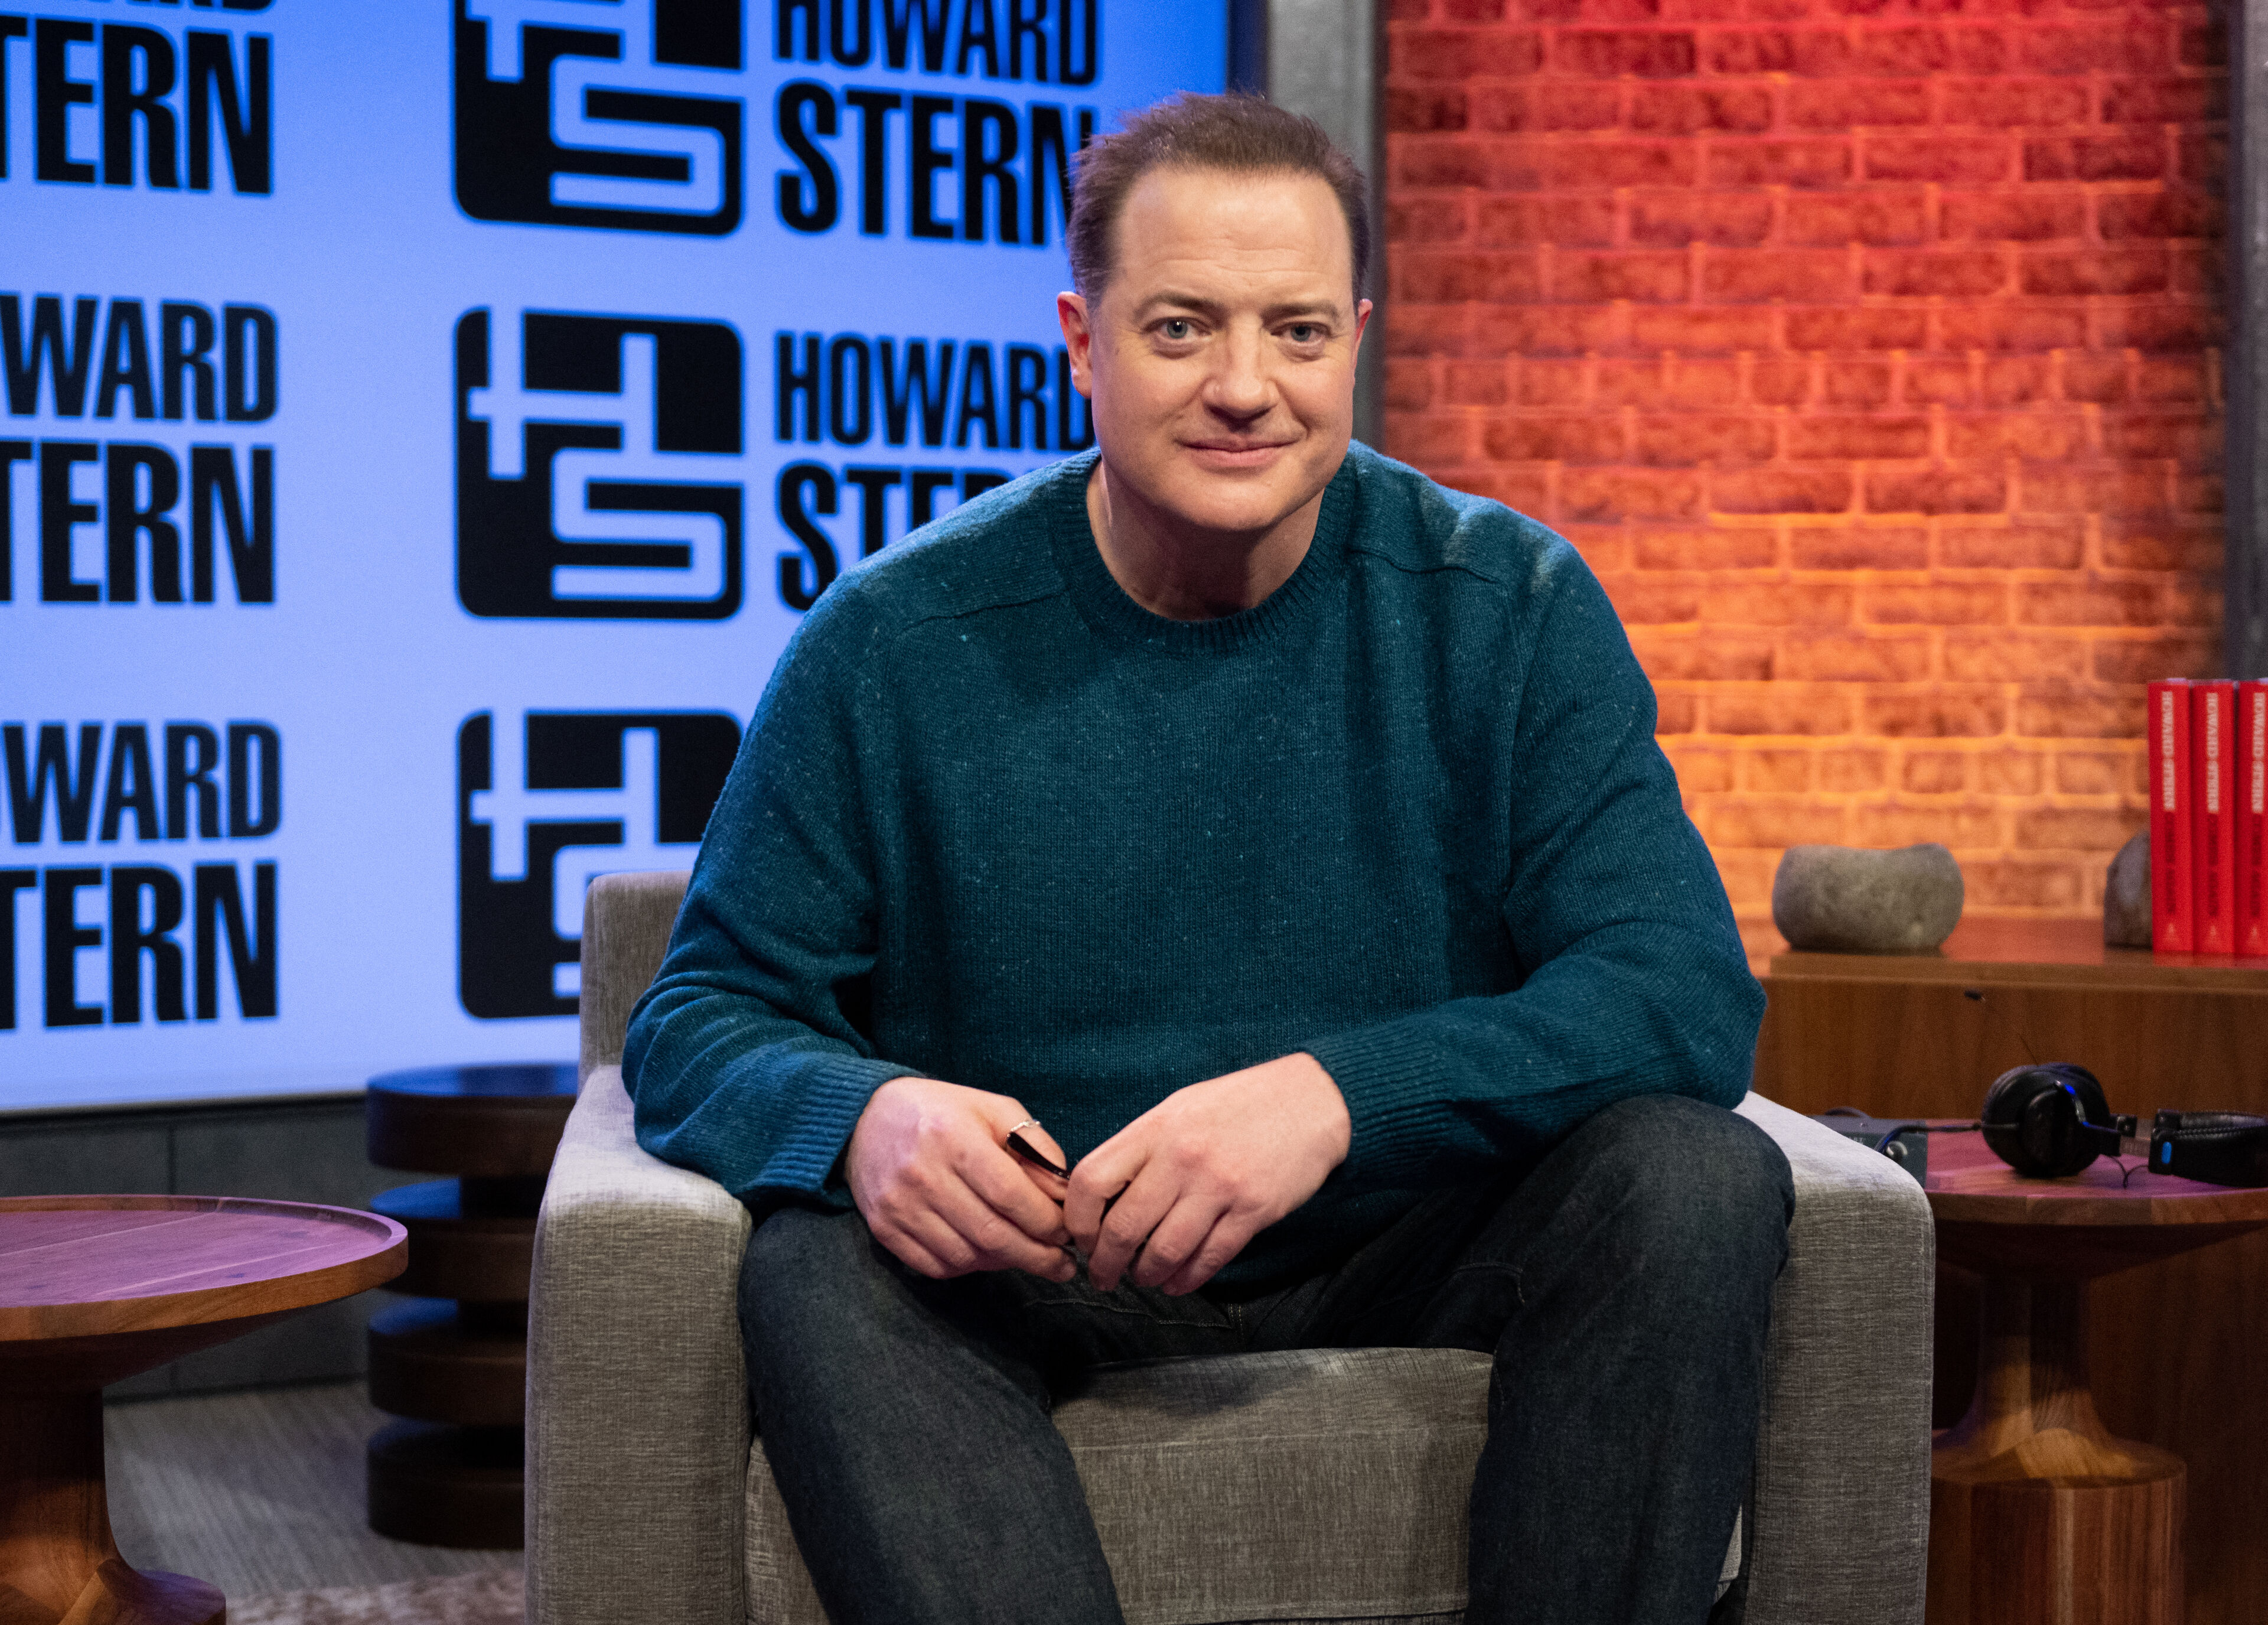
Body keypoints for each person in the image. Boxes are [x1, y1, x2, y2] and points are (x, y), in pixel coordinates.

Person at [624, 92, 1791, 1625]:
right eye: (1181, 329)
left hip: (1405, 1233)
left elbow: (1679, 989)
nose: (1246, 389)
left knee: (1695, 1177)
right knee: (815, 1261)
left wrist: (1334, 1100)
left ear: (1354, 339)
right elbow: (697, 1018)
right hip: (1038, 1257)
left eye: (1296, 332)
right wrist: (862, 1118)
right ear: (1081, 340)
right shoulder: (895, 640)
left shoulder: (1505, 603)